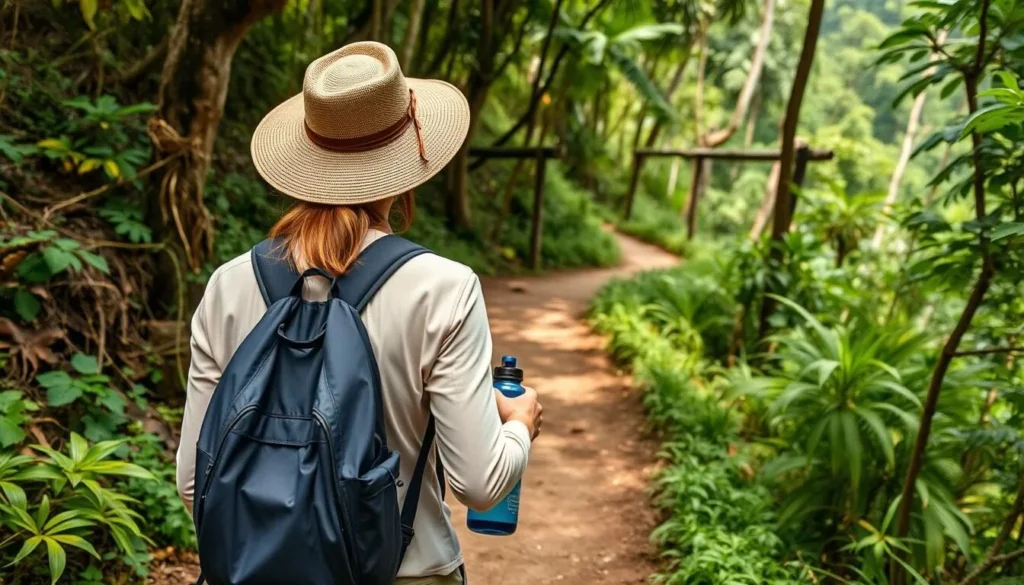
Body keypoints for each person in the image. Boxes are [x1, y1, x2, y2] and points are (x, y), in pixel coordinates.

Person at [175, 41, 543, 585]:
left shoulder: (229, 286)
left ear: (305, 153)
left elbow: (192, 483)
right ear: (409, 165)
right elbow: (481, 484)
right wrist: (519, 428)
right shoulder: (444, 289)